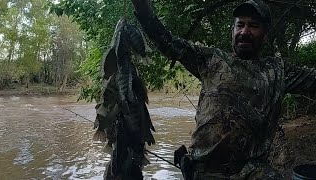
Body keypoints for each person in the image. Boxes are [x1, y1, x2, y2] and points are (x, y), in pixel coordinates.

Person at [130, 0, 316, 179]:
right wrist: (141, 5)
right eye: (240, 25)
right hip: (203, 170)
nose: (245, 31)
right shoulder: (210, 60)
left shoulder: (278, 71)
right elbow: (166, 41)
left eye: (253, 26)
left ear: (265, 34)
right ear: (232, 31)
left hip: (252, 172)